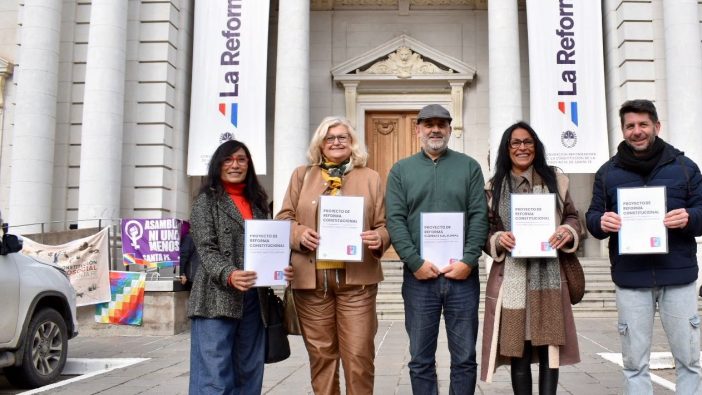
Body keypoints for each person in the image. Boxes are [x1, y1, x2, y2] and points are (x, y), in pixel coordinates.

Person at [586, 99, 702, 394]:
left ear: (656, 126)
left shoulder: (684, 167)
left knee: (689, 360)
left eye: (643, 124)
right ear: (622, 130)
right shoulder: (607, 173)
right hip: (631, 279)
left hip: (678, 276)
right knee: (634, 363)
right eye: (630, 126)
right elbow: (592, 216)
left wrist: (689, 217)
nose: (637, 131)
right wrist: (600, 222)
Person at [276, 116, 390, 394]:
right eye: (330, 138)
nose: (337, 142)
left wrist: (380, 239)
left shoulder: (371, 177)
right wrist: (299, 233)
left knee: (359, 357)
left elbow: (385, 225)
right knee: (322, 358)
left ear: (352, 144)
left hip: (357, 284)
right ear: (320, 144)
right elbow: (283, 219)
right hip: (312, 284)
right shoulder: (302, 175)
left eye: (343, 137)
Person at [385, 104, 488, 394]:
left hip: (462, 278)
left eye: (441, 124)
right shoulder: (401, 171)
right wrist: (414, 262)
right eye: (428, 124)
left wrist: (468, 260)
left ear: (450, 130)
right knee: (420, 359)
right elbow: (395, 220)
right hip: (420, 279)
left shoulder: (469, 167)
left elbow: (479, 215)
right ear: (417, 129)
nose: (435, 129)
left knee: (465, 358)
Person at [479, 122, 581, 394]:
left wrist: (567, 230)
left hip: (548, 276)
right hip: (511, 278)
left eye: (528, 142)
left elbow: (573, 216)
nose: (522, 148)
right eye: (515, 143)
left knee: (550, 350)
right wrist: (497, 239)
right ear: (507, 148)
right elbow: (485, 229)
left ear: (535, 147)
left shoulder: (555, 181)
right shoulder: (494, 186)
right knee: (518, 351)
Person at [187, 140, 274, 394]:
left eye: (241, 159)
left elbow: (267, 246)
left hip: (253, 300)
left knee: (249, 371)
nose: (235, 165)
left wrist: (279, 268)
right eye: (228, 159)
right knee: (214, 375)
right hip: (216, 297)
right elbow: (205, 248)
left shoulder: (258, 204)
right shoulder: (206, 201)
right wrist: (230, 274)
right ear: (218, 165)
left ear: (249, 165)